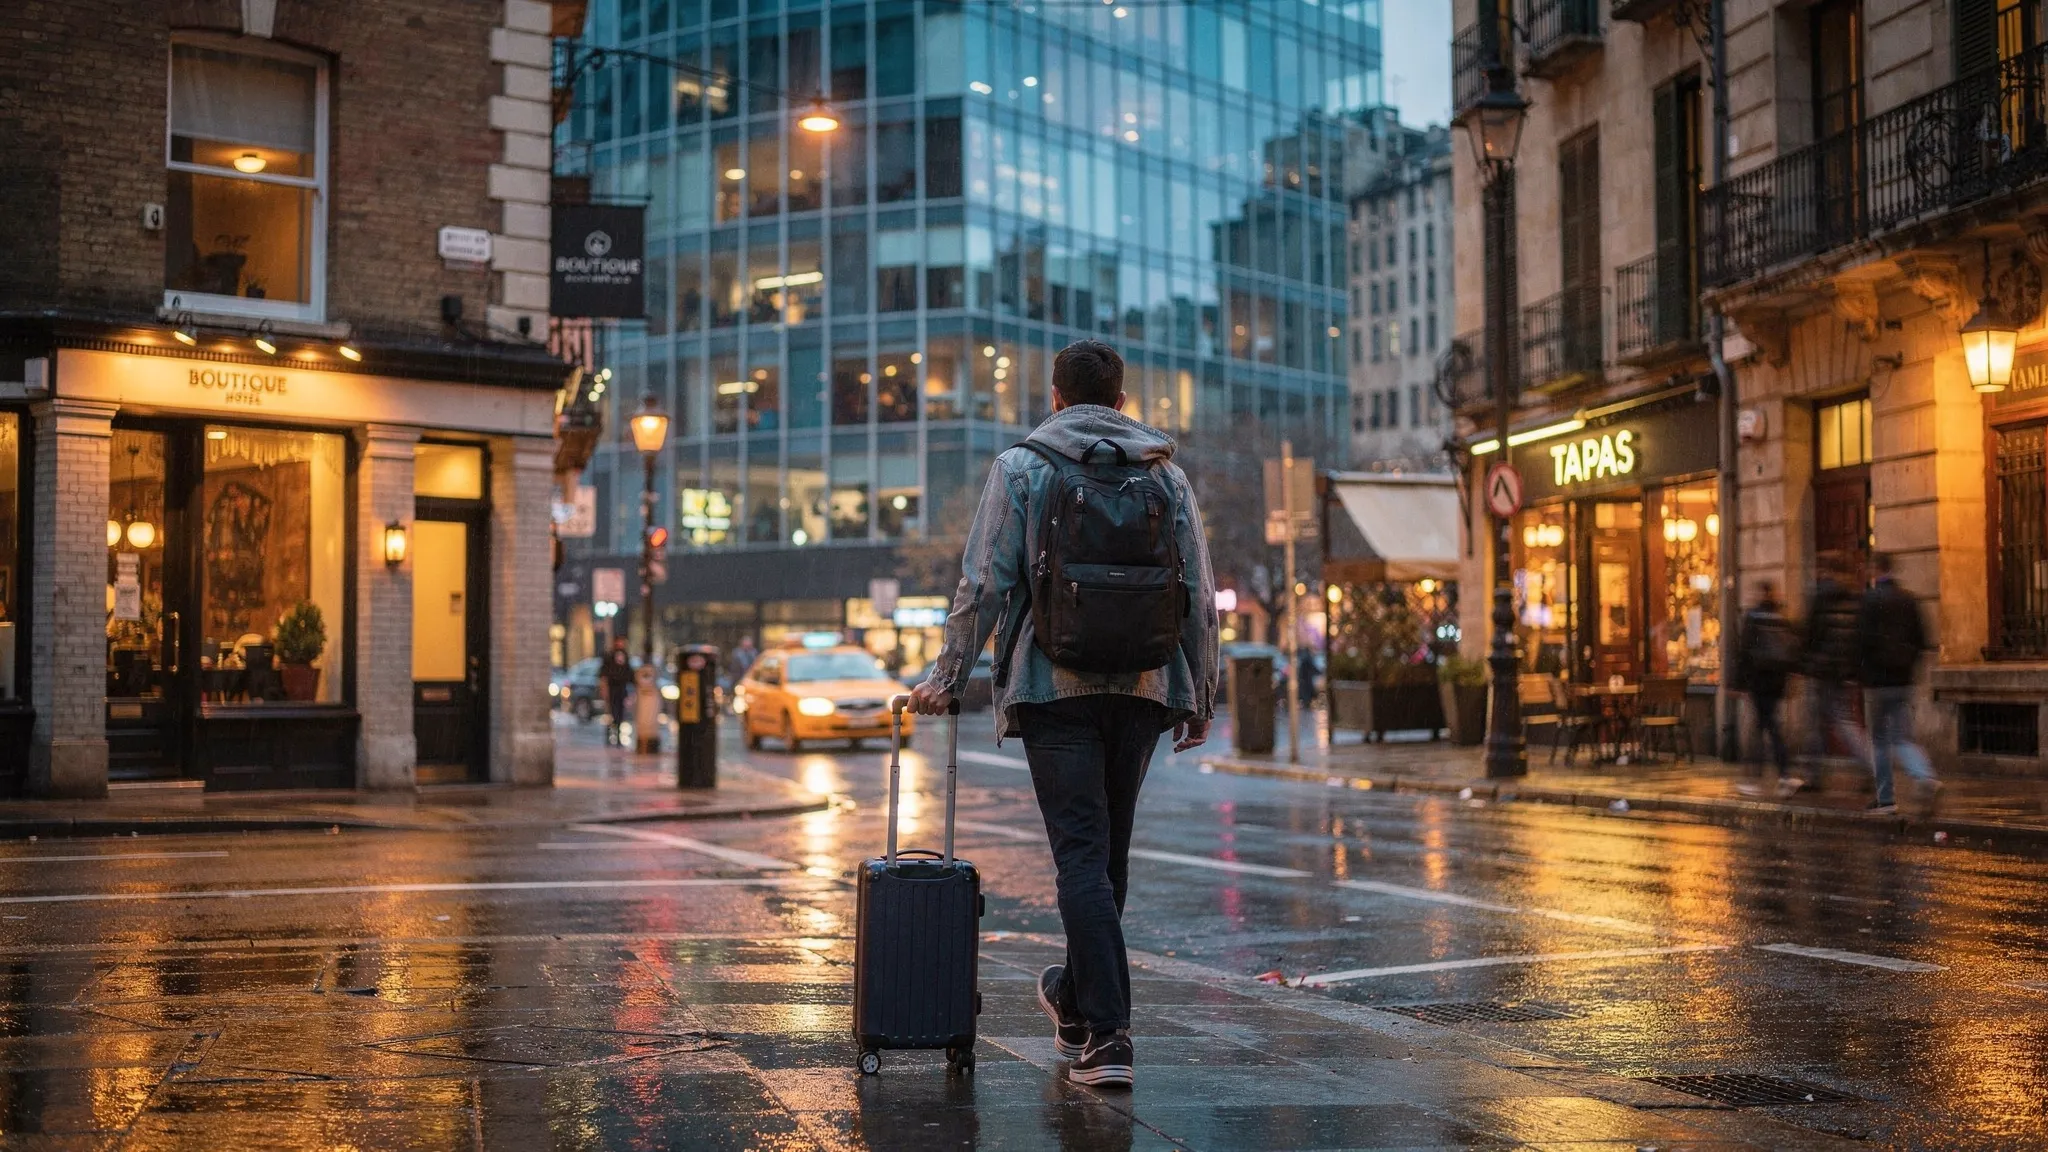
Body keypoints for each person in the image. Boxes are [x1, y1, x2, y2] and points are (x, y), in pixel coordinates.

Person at [909, 339, 1218, 1090]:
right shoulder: (1165, 474)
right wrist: (1200, 693)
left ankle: (1108, 1037)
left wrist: (947, 674)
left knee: (1081, 855)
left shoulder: (1023, 467)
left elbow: (983, 583)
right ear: (1119, 401)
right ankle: (1076, 1004)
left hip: (1055, 685)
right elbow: (1199, 595)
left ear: (1053, 397)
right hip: (1144, 684)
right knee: (1106, 859)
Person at [1858, 552, 1939, 814]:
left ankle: (1886, 799)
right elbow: (1923, 641)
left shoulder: (1869, 600)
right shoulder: (1909, 599)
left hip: (1878, 682)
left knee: (1880, 740)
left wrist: (1861, 674)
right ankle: (1924, 775)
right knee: (1903, 737)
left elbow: (1861, 642)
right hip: (1903, 680)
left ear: (1875, 570)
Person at [1800, 553, 1870, 788]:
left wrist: (1805, 663)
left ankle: (1870, 767)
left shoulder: (1822, 594)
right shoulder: (1855, 596)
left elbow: (1811, 633)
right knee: (1836, 722)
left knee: (1830, 722)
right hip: (1844, 669)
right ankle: (1815, 773)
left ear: (1826, 569)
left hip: (1823, 669)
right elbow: (1859, 635)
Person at [1733, 581, 1798, 797]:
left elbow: (1744, 652)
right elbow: (1791, 651)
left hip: (1759, 682)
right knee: (1770, 727)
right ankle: (1781, 776)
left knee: (1763, 728)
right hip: (1777, 682)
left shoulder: (1754, 617)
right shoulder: (1781, 617)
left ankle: (1757, 777)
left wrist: (1739, 683)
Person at [599, 636, 634, 748]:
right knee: (611, 714)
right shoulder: (609, 657)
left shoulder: (626, 657)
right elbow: (603, 674)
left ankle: (618, 738)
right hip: (612, 689)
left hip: (621, 690)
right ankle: (609, 737)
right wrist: (604, 689)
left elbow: (629, 674)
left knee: (620, 715)